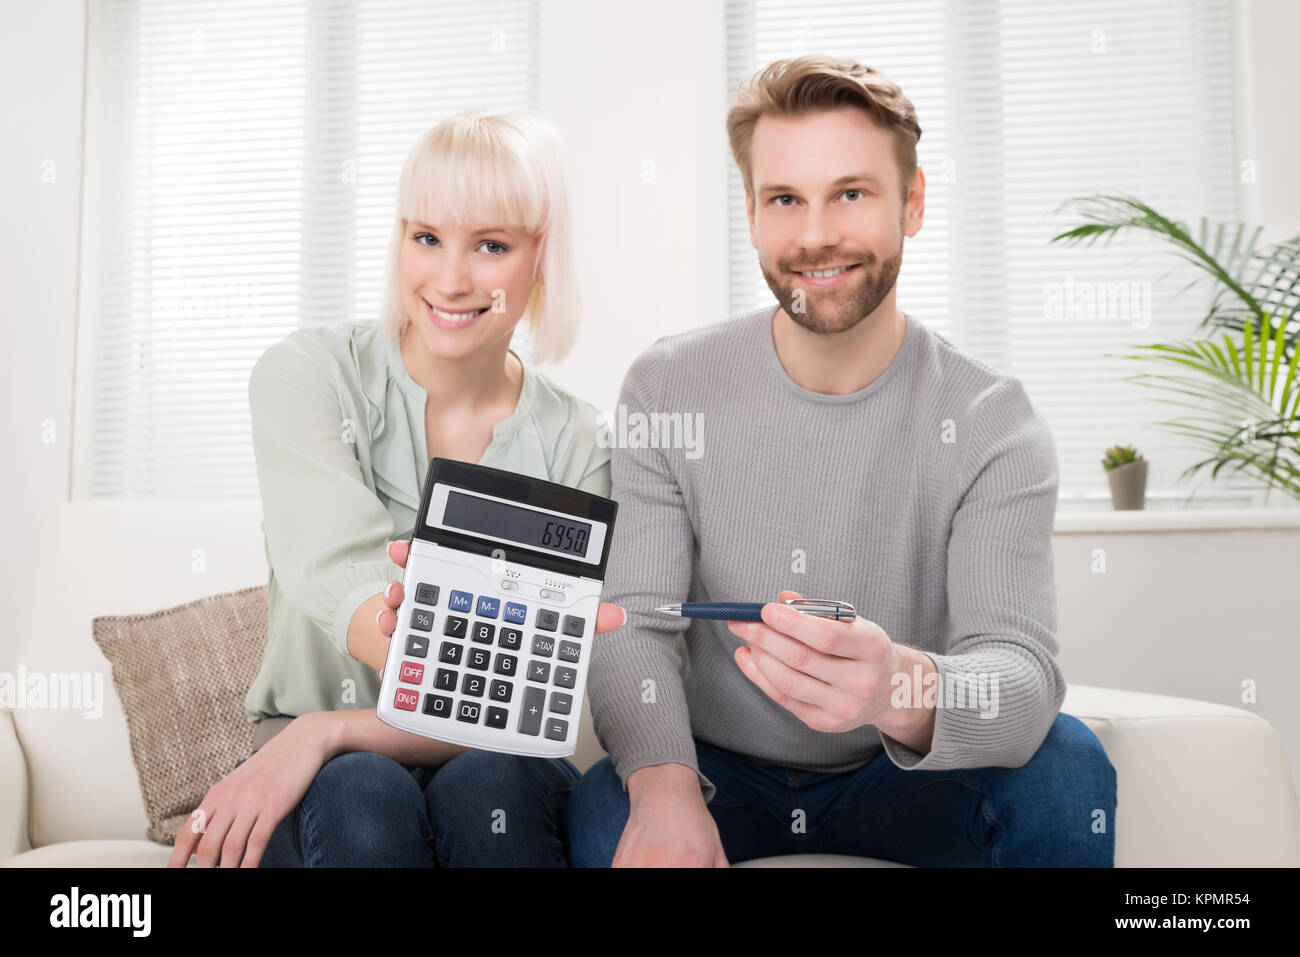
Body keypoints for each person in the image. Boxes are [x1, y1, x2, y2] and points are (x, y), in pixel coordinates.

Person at [564, 54, 1117, 867]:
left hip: (904, 774)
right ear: (752, 214)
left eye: (851, 193)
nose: (816, 234)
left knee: (1068, 766)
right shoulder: (667, 386)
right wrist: (665, 786)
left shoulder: (991, 419)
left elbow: (1020, 673)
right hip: (719, 774)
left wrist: (899, 686)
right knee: (604, 811)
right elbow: (633, 627)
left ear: (913, 203)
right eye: (785, 199)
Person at [168, 109, 623, 868]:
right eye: (427, 237)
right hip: (322, 770)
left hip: (480, 755)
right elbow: (340, 579)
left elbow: (521, 700)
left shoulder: (581, 439)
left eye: (491, 245)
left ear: (542, 255)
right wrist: (326, 732)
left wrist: (331, 727)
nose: (450, 280)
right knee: (361, 793)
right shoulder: (307, 376)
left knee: (489, 787)